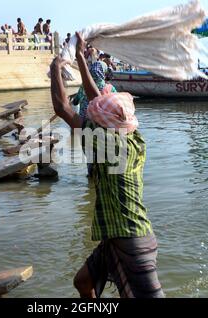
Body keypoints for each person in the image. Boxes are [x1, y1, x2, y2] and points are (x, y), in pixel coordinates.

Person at [49, 32, 164, 299]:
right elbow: (99, 98)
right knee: (83, 282)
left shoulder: (108, 145)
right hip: (118, 237)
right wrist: (79, 59)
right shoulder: (133, 137)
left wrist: (56, 68)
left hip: (132, 240)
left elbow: (62, 108)